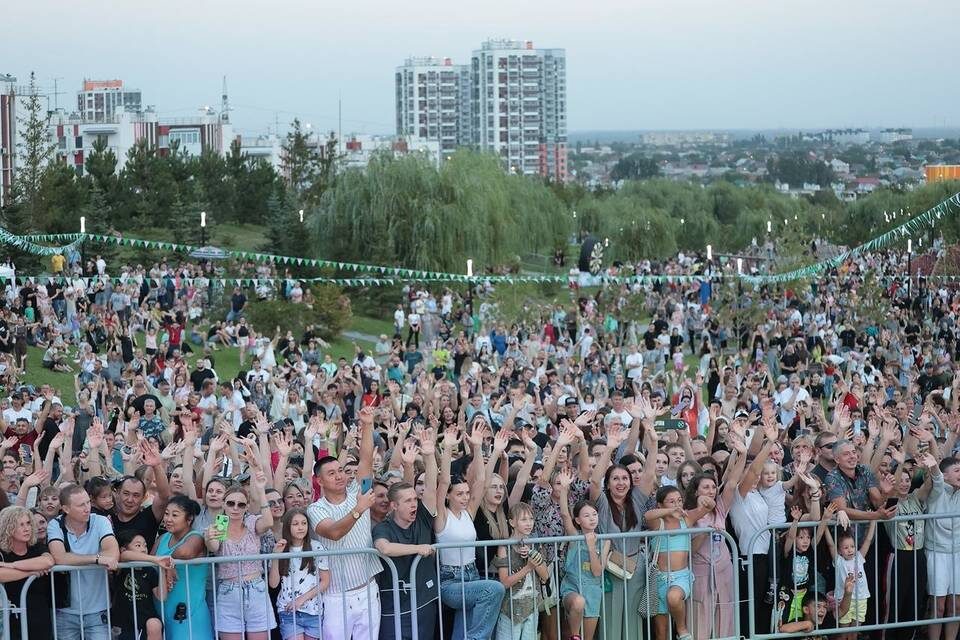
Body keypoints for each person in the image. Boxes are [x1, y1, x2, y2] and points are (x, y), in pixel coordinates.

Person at [307, 406, 382, 640]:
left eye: (341, 470)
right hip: (336, 596)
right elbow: (334, 532)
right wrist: (359, 510)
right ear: (319, 481)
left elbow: (366, 460)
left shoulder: (356, 492)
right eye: (331, 473)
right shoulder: (315, 508)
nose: (340, 475)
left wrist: (368, 425)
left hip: (368, 589)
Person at [434, 423, 505, 640]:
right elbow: (444, 480)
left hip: (472, 574)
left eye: (467, 493)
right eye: (460, 494)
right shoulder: (442, 515)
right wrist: (447, 448)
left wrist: (478, 448)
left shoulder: (469, 512)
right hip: (450, 582)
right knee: (495, 589)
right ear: (448, 496)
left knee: (462, 628)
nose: (465, 497)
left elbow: (481, 481)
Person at [372, 426, 440, 640]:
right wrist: (419, 548)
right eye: (408, 501)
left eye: (414, 499)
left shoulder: (422, 516)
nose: (415, 503)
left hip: (424, 598)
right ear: (393, 506)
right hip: (394, 604)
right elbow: (384, 547)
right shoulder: (384, 526)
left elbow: (431, 487)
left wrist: (429, 456)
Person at [204, 476, 276, 640]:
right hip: (229, 592)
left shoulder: (251, 522)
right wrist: (209, 537)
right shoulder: (218, 525)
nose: (235, 508)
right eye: (230, 503)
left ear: (247, 507)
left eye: (241, 504)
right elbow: (214, 548)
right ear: (223, 504)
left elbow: (268, 522)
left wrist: (261, 491)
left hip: (256, 590)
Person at [47, 484, 121, 640]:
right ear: (66, 509)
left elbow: (112, 552)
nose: (87, 508)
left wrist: (77, 559)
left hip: (98, 610)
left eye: (88, 502)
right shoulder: (55, 525)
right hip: (65, 612)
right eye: (81, 505)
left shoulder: (100, 521)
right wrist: (96, 558)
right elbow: (59, 557)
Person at [644, 485, 713, 640]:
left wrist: (701, 499)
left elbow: (710, 506)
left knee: (674, 597)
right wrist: (669, 511)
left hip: (680, 577)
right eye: (671, 501)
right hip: (659, 579)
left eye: (679, 500)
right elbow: (647, 516)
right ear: (660, 505)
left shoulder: (686, 519)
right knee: (660, 631)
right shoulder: (658, 523)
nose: (677, 505)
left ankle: (682, 629)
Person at [557, 470, 608, 640]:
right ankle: (574, 636)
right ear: (578, 520)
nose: (592, 518)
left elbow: (597, 571)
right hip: (572, 588)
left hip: (593, 591)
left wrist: (592, 547)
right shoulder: (575, 536)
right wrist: (564, 488)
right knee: (578, 602)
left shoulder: (605, 541)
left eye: (594, 514)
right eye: (586, 515)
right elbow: (565, 514)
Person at [153, 494, 211, 640]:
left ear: (189, 519)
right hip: (163, 609)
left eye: (175, 515)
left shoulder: (196, 537)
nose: (168, 519)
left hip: (189, 612)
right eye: (166, 514)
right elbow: (151, 562)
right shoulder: (162, 537)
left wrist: (168, 562)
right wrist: (168, 565)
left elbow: (185, 552)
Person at [269, 509, 329, 640]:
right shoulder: (281, 548)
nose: (301, 527)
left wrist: (301, 599)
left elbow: (325, 581)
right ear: (287, 526)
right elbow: (273, 584)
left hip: (313, 611)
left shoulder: (316, 547)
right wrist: (275, 557)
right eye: (295, 524)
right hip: (288, 611)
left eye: (304, 523)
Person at [494, 502, 551, 640]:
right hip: (510, 609)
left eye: (531, 519)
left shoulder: (536, 544)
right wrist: (528, 568)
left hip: (531, 607)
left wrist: (532, 554)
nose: (529, 523)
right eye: (524, 519)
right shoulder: (504, 547)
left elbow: (545, 576)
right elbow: (504, 582)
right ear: (512, 522)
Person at [0, 505, 56, 640]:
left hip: (39, 612)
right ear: (9, 528)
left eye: (28, 523)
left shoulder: (35, 546)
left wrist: (11, 565)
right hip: (11, 614)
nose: (26, 528)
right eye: (20, 525)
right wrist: (30, 573)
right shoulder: (2, 551)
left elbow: (48, 562)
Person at [113, 530, 172, 640]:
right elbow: (125, 555)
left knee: (154, 624)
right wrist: (156, 559)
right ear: (123, 548)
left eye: (145, 545)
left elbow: (162, 597)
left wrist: (162, 569)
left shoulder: (150, 570)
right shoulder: (122, 567)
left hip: (146, 617)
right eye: (138, 545)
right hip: (125, 620)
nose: (143, 549)